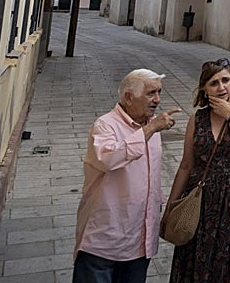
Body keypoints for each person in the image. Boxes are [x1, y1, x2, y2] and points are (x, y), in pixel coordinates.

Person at [74, 68, 180, 283]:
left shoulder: (148, 126)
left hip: (139, 238)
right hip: (105, 236)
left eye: (159, 92)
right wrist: (150, 130)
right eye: (151, 93)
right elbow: (108, 159)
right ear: (129, 98)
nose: (157, 100)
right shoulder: (105, 125)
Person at [167, 57, 230, 283]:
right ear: (204, 88)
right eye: (214, 83)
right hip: (204, 204)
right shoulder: (198, 119)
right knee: (202, 261)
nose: (221, 87)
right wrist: (171, 207)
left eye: (225, 80)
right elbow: (186, 165)